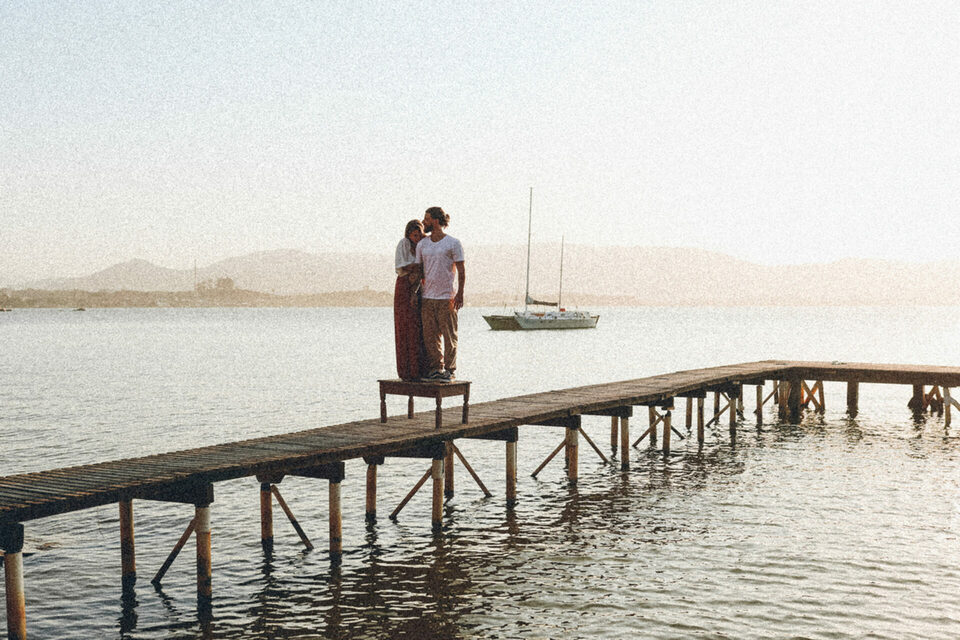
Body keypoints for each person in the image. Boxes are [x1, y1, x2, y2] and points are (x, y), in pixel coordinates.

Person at [415, 206, 465, 382]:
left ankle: (450, 370)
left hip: (446, 297)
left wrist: (460, 293)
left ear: (436, 221)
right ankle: (436, 368)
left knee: (450, 335)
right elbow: (419, 271)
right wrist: (415, 293)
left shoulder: (453, 243)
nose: (424, 222)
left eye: (427, 219)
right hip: (428, 297)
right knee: (430, 336)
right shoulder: (422, 245)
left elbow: (461, 270)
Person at [393, 219, 426, 380]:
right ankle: (407, 369)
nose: (417, 237)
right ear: (409, 234)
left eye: (419, 234)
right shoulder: (404, 244)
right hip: (405, 285)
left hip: (419, 284)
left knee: (419, 325)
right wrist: (417, 267)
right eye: (414, 235)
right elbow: (402, 266)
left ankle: (420, 369)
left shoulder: (423, 245)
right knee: (405, 325)